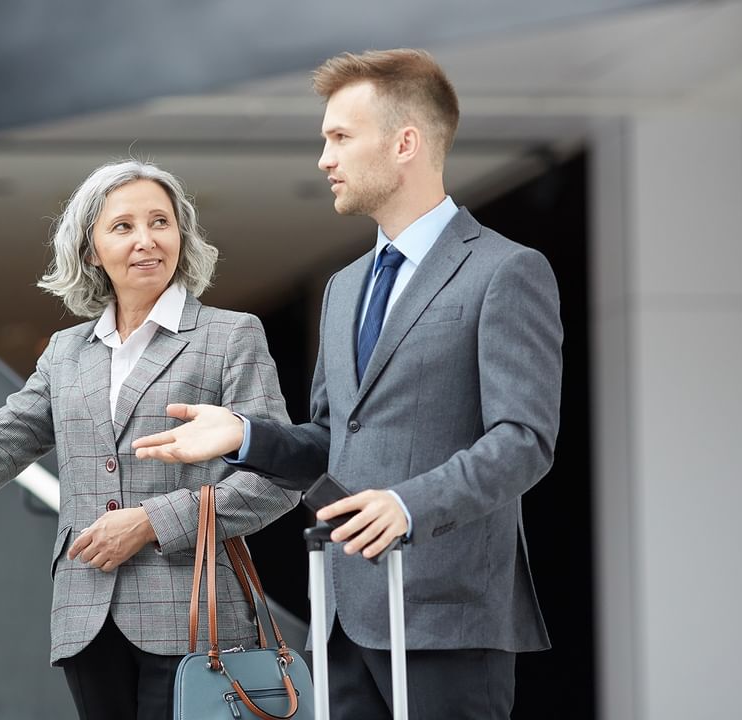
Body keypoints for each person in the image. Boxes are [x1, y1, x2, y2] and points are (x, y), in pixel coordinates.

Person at [133, 49, 563, 718]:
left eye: (340, 137)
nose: (324, 159)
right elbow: (336, 443)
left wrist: (409, 504)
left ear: (405, 143)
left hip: (447, 624)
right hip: (343, 622)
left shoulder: (506, 272)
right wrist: (245, 436)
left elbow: (524, 441)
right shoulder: (344, 288)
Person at [0, 159, 298, 720]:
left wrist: (151, 522)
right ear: (91, 249)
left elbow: (277, 479)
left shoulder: (230, 336)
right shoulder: (66, 352)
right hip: (86, 619)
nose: (146, 240)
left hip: (195, 622)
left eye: (160, 222)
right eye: (123, 227)